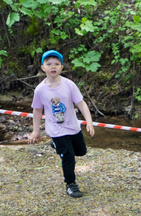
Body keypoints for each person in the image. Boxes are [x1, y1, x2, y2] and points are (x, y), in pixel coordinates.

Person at [27, 50, 96, 198]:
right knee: (69, 157)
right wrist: (36, 131)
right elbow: (37, 110)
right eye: (49, 64)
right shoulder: (40, 90)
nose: (53, 66)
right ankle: (71, 184)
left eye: (57, 64)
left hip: (73, 126)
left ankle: (56, 145)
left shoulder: (69, 85)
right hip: (56, 130)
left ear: (61, 67)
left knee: (81, 151)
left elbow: (81, 104)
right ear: (43, 67)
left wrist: (89, 122)